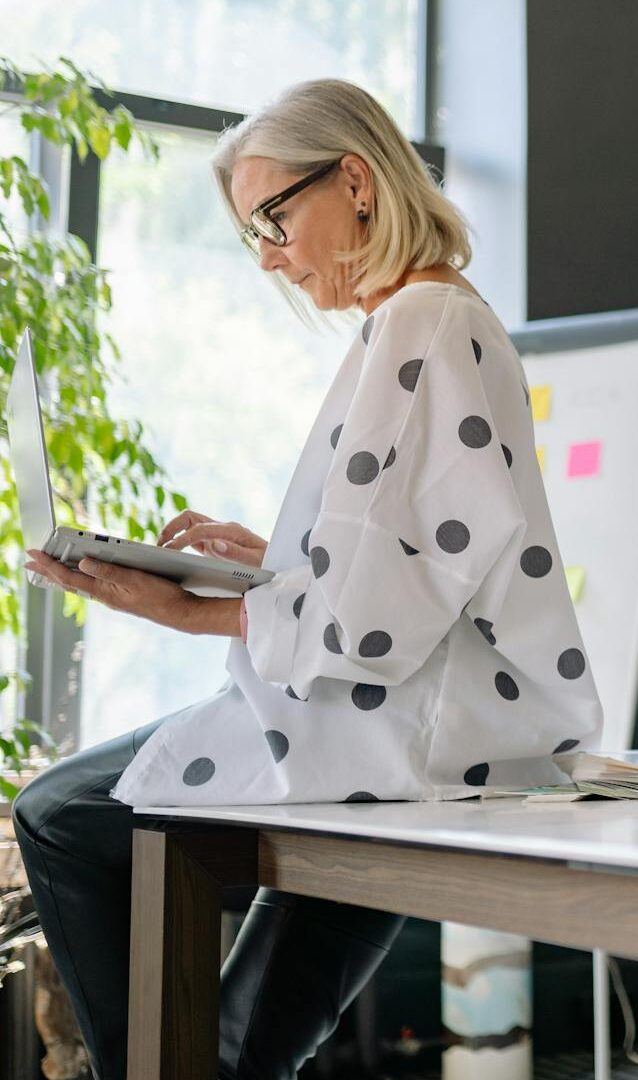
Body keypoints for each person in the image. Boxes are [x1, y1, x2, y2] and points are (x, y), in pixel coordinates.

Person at [11, 78, 601, 1079]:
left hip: (390, 739)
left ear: (358, 183)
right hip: (407, 737)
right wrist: (266, 560)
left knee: (60, 818)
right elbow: (407, 566)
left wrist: (189, 609)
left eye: (275, 220)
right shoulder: (432, 321)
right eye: (253, 236)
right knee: (240, 1052)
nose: (270, 259)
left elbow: (372, 622)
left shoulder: (420, 324)